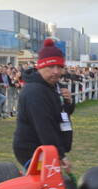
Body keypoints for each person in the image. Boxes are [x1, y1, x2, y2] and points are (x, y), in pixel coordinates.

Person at [13, 38, 74, 171]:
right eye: (51, 66)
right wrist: (59, 154)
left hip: (45, 147)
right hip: (34, 149)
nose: (56, 71)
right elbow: (44, 125)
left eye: (59, 67)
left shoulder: (54, 86)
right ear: (41, 67)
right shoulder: (34, 91)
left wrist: (68, 102)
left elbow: (61, 114)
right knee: (45, 187)